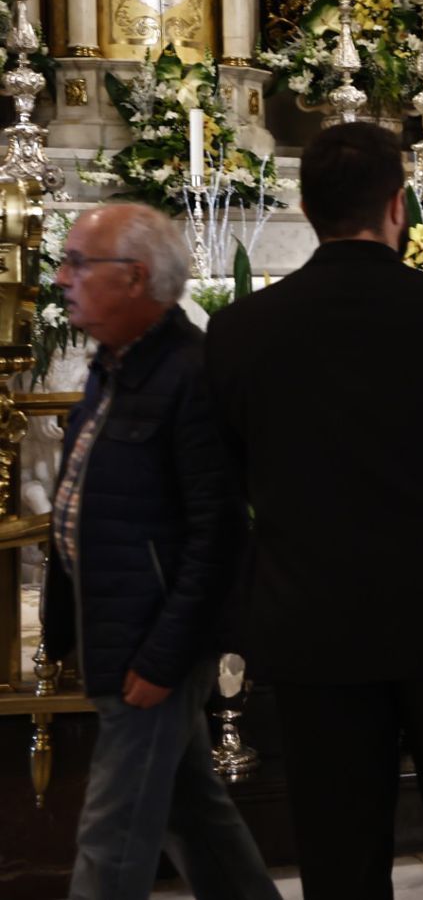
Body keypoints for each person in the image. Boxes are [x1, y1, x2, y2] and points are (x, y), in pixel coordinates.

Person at [205, 124, 423, 900]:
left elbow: (227, 481)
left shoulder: (241, 331)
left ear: (304, 207)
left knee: (340, 848)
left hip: (315, 623)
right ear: (400, 206)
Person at [42, 203, 279, 900]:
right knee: (191, 813)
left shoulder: (189, 375)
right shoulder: (115, 366)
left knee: (111, 841)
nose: (62, 278)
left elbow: (217, 534)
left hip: (153, 648)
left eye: (80, 264)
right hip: (119, 634)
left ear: (135, 278)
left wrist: (165, 656)